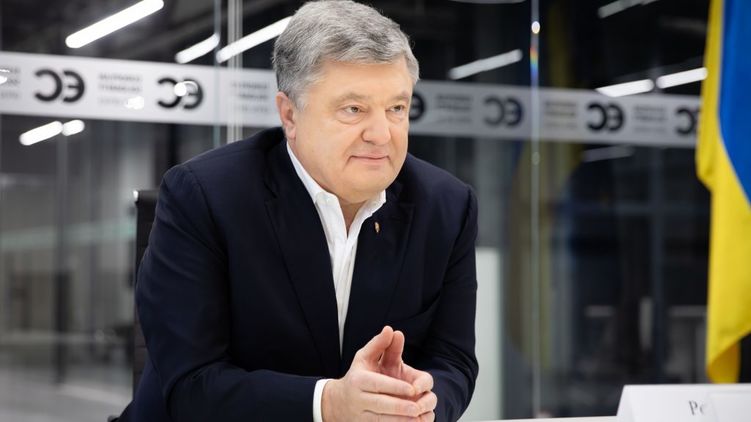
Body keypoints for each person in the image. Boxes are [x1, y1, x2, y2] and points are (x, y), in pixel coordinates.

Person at [119, 1, 478, 421]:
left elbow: (453, 361)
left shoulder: (447, 206)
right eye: (354, 109)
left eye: (396, 108)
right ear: (290, 115)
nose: (382, 135)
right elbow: (190, 386)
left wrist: (423, 402)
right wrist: (328, 404)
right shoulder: (205, 197)